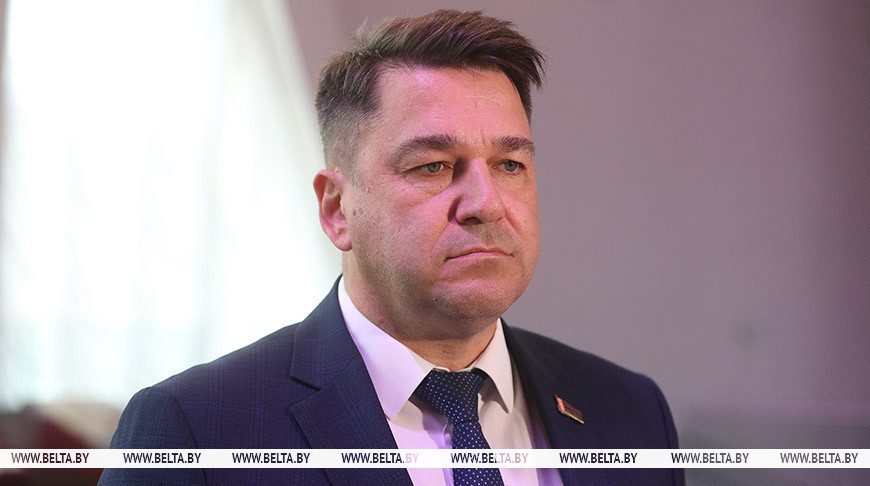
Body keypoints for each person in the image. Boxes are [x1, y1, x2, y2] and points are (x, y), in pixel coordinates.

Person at [100, 9, 683, 485]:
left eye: (509, 164)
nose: (486, 203)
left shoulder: (630, 412)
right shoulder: (197, 428)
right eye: (433, 166)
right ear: (336, 209)